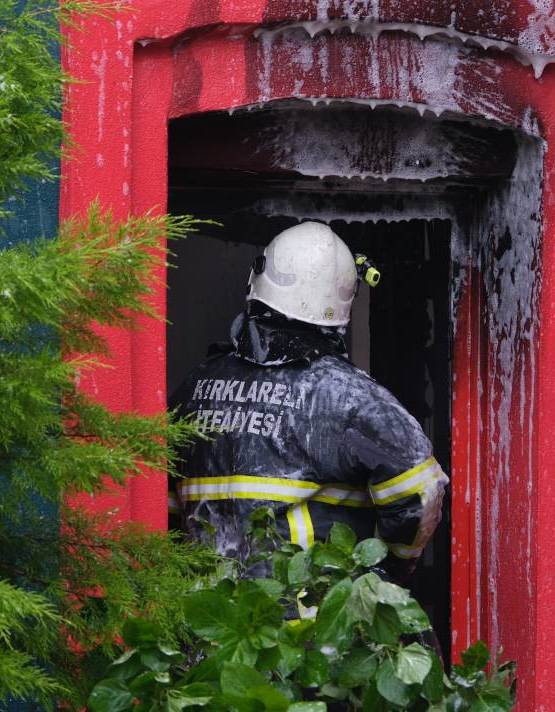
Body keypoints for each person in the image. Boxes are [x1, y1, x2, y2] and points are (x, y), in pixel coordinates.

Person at [168, 221, 447, 583]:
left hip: (206, 623)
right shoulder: (348, 397)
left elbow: (157, 507)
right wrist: (388, 568)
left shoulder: (195, 388)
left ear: (257, 281)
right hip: (307, 629)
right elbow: (422, 491)